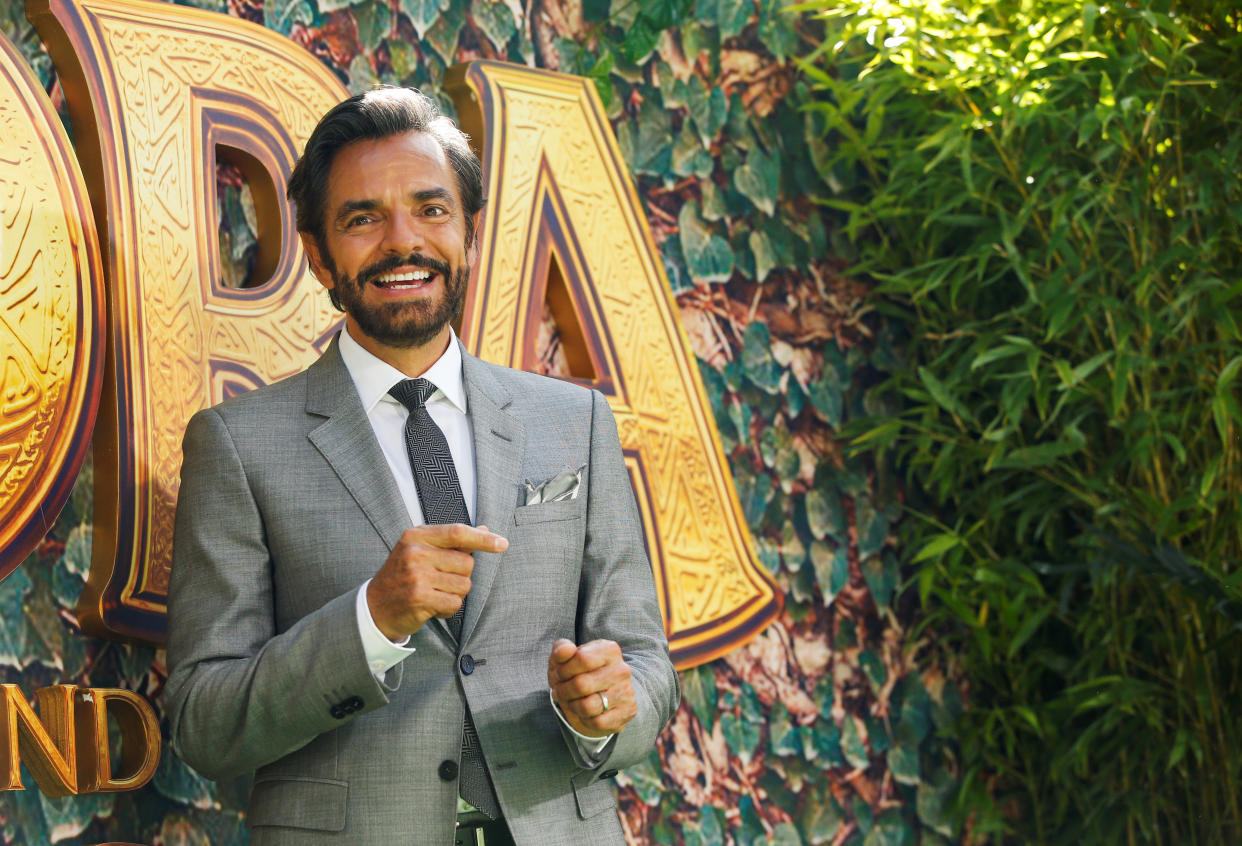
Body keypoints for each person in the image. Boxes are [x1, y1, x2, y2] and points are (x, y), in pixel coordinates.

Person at [164, 86, 679, 846]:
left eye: (431, 209)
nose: (402, 242)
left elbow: (647, 666)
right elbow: (204, 722)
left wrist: (607, 709)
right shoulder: (237, 445)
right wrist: (371, 619)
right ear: (315, 253)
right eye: (363, 218)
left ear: (469, 232)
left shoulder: (576, 423)